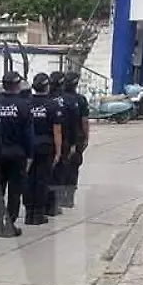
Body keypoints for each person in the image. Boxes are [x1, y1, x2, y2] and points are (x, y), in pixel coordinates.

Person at [0, 71, 34, 237]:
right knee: (15, 191)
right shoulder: (24, 106)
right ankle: (10, 224)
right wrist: (30, 155)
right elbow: (28, 134)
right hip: (17, 154)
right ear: (17, 85)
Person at [25, 73, 63, 225]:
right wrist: (58, 151)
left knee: (28, 179)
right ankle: (38, 213)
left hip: (28, 147)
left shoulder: (26, 104)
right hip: (46, 147)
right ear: (47, 87)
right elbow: (57, 131)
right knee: (42, 180)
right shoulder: (53, 105)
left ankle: (28, 213)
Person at [54, 72, 90, 210]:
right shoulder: (80, 100)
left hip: (60, 139)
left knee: (59, 169)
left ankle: (58, 198)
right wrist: (86, 137)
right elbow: (84, 121)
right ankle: (68, 198)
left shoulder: (57, 99)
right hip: (74, 138)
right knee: (73, 168)